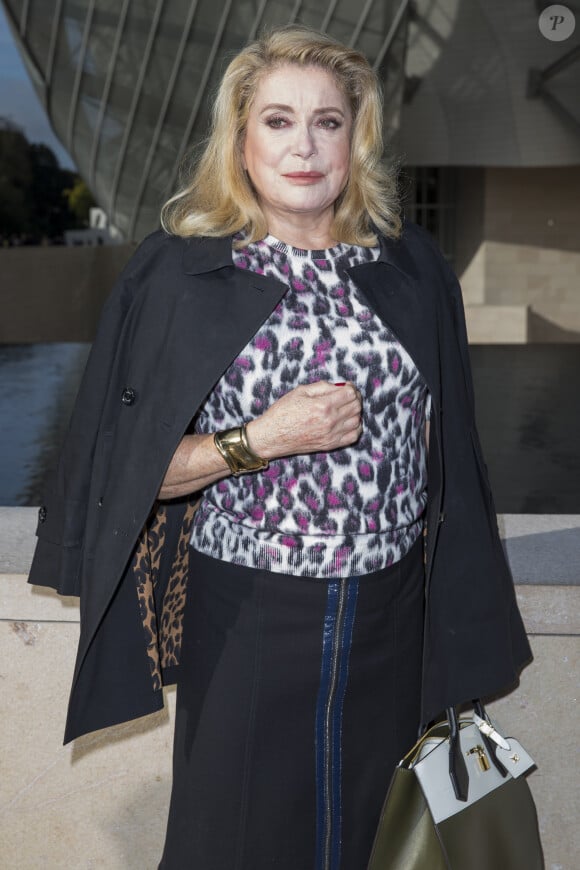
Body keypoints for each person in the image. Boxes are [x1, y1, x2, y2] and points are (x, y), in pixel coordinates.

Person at [28, 25, 532, 870]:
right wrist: (258, 440)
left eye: (328, 122)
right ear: (241, 141)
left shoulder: (411, 268)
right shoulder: (180, 275)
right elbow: (118, 474)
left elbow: (455, 462)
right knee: (235, 839)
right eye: (278, 121)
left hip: (392, 616)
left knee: (377, 838)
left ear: (355, 139)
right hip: (252, 616)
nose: (305, 146)